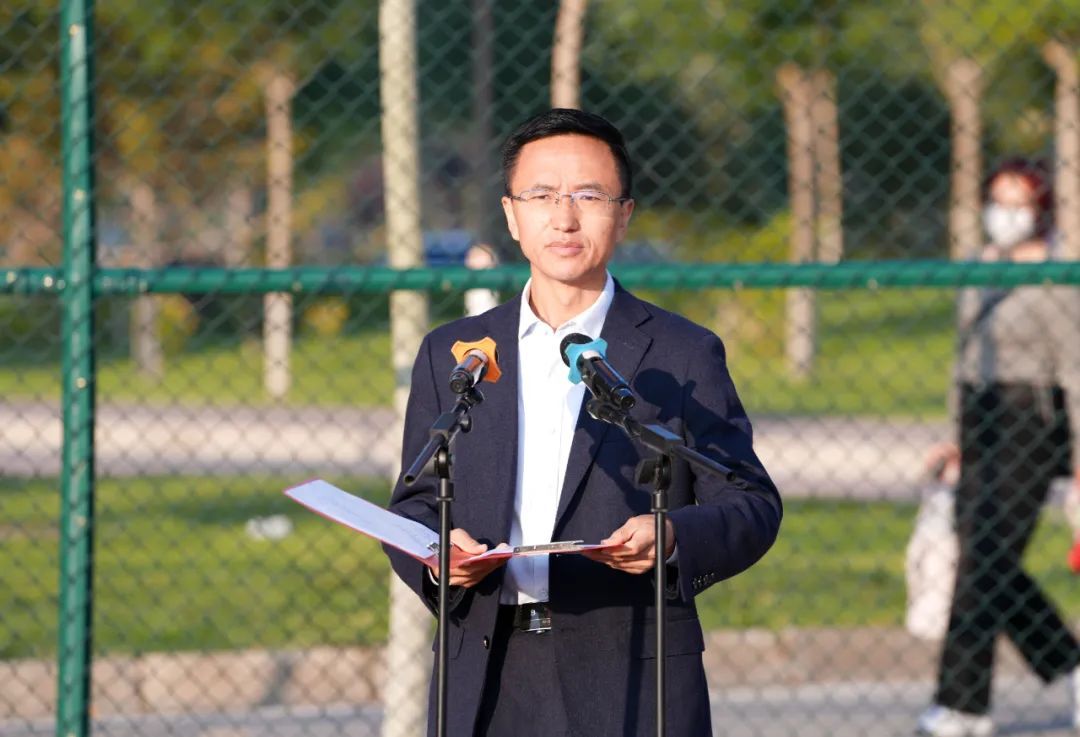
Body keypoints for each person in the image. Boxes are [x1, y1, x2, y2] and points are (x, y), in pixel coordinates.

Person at [384, 108, 782, 737]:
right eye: (541, 195)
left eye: (589, 196)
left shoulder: (681, 354)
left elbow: (751, 503)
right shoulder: (453, 352)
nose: (564, 218)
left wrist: (672, 536)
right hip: (481, 675)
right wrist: (438, 558)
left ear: (624, 214)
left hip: (629, 672)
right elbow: (413, 503)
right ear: (511, 215)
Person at [917, 158, 1080, 737]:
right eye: (998, 200)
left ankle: (963, 705)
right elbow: (964, 356)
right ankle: (1069, 661)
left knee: (984, 559)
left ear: (1041, 208)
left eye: (1019, 202)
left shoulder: (1058, 271)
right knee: (986, 557)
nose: (1005, 213)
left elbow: (1074, 370)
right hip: (979, 418)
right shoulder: (981, 265)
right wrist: (955, 435)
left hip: (1032, 419)